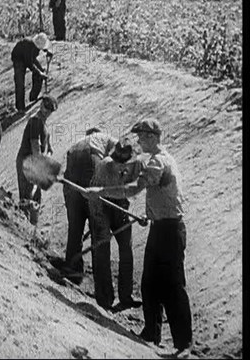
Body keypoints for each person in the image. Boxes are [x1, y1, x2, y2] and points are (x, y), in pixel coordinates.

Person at [86, 119, 192, 358]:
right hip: (160, 226)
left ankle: (184, 344)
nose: (139, 141)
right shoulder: (161, 159)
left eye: (142, 137)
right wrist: (150, 213)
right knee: (149, 283)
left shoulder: (158, 162)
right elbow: (164, 194)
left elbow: (133, 189)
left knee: (174, 286)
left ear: (153, 137)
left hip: (170, 231)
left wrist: (100, 192)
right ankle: (151, 332)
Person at [86, 139, 144, 311]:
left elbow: (137, 189)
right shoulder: (103, 167)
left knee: (126, 248)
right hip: (101, 206)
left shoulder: (136, 165)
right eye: (119, 163)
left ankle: (126, 296)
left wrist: (141, 213)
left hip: (121, 206)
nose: (122, 167)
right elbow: (94, 199)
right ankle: (104, 298)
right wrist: (100, 225)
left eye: (125, 163)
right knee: (102, 249)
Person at [62, 128, 118, 283]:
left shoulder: (79, 142)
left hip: (72, 161)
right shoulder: (108, 139)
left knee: (75, 225)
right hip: (90, 159)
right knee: (98, 227)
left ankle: (73, 271)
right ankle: (103, 288)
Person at [15, 95, 58, 223]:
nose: (46, 111)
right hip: (28, 163)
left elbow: (47, 148)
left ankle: (33, 228)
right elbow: (35, 146)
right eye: (45, 107)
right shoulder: (35, 121)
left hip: (35, 163)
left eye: (49, 110)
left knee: (35, 198)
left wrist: (48, 152)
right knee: (28, 198)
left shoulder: (43, 124)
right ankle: (24, 228)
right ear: (41, 106)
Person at [11, 33, 52, 113]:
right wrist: (39, 73)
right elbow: (29, 63)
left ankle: (33, 96)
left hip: (29, 57)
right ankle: (20, 108)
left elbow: (44, 48)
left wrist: (48, 51)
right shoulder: (29, 45)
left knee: (40, 72)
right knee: (20, 83)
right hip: (18, 59)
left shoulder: (38, 44)